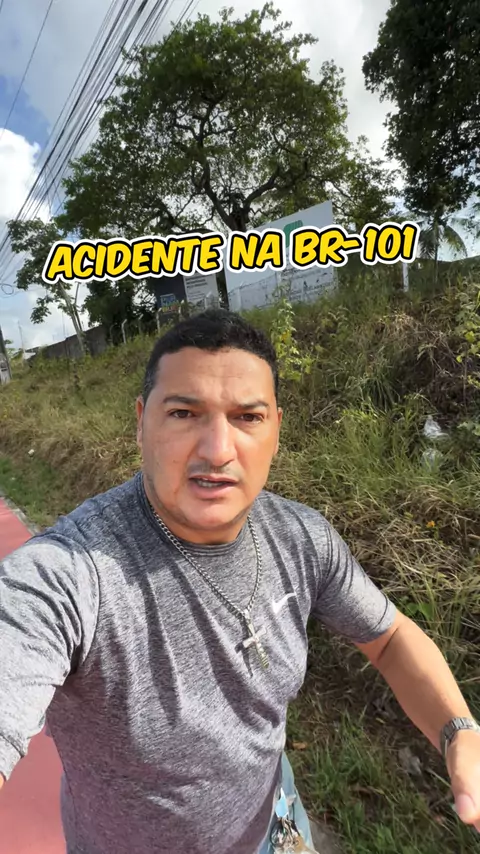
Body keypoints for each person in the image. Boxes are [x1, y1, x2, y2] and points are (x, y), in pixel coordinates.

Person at [0, 308, 479, 854]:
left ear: (275, 430)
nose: (217, 450)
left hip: (278, 826)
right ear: (141, 422)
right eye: (184, 413)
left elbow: (389, 638)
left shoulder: (301, 539)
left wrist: (458, 731)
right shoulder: (71, 572)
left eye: (247, 417)